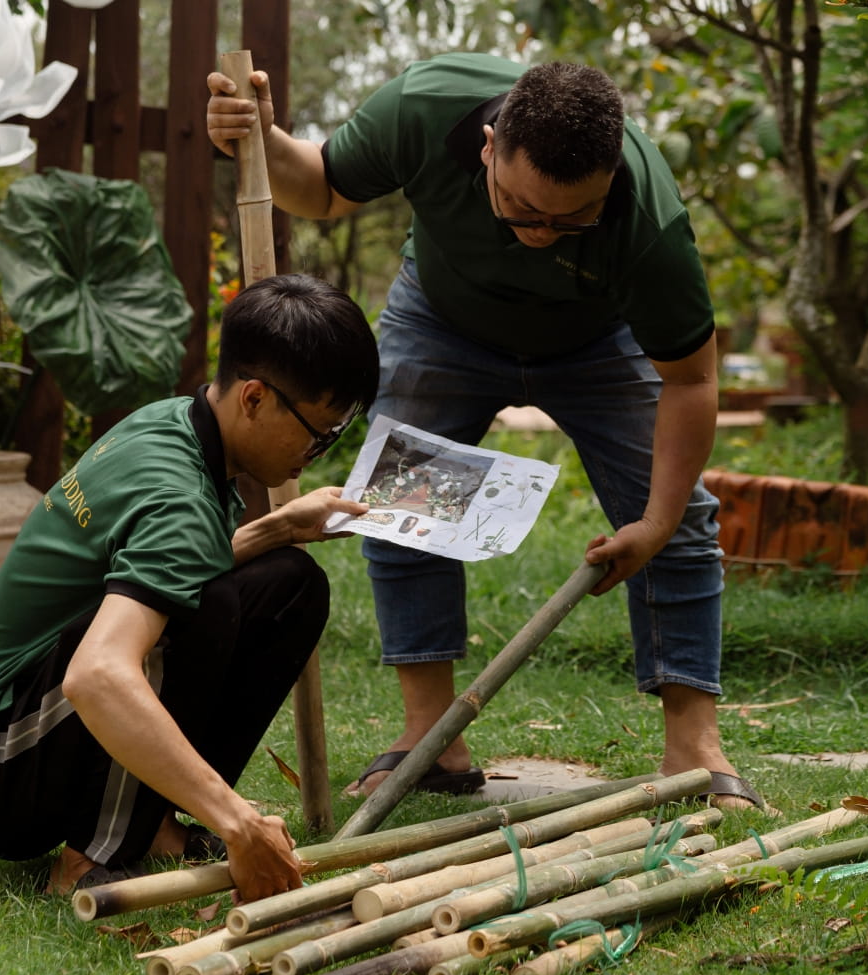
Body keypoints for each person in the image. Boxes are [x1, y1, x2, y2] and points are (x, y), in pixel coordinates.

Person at [206, 54, 761, 812]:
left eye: (571, 221)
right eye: (522, 210)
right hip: (443, 319)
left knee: (681, 519)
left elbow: (691, 379)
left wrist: (655, 523)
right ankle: (430, 740)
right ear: (488, 146)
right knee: (402, 503)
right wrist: (265, 137)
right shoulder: (425, 108)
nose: (543, 235)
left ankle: (692, 749)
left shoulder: (646, 216)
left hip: (597, 341)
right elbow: (324, 189)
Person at [0, 274, 379, 900]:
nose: (320, 450)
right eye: (320, 431)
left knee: (290, 585)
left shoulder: (174, 422)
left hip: (27, 727)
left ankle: (154, 825)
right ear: (254, 398)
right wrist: (239, 823)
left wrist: (277, 528)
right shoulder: (180, 499)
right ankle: (95, 856)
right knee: (200, 608)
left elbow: (177, 561)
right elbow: (97, 674)